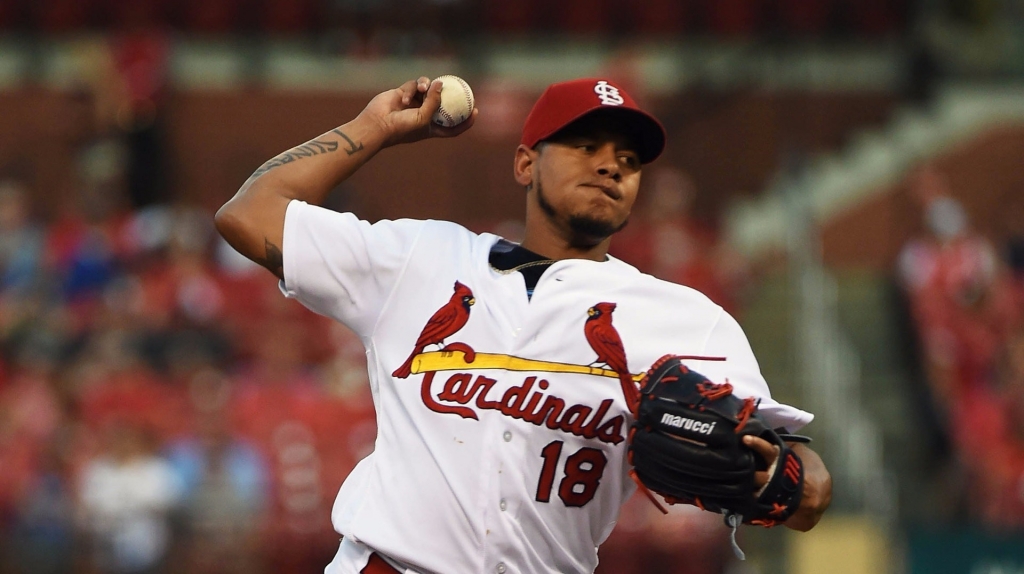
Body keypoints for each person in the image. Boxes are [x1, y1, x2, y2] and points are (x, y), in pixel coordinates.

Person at [215, 76, 832, 574]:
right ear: (524, 165)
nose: (610, 166)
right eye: (585, 147)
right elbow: (249, 214)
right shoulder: (420, 260)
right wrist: (373, 128)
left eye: (627, 158)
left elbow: (809, 490)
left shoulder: (685, 321)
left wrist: (773, 477)